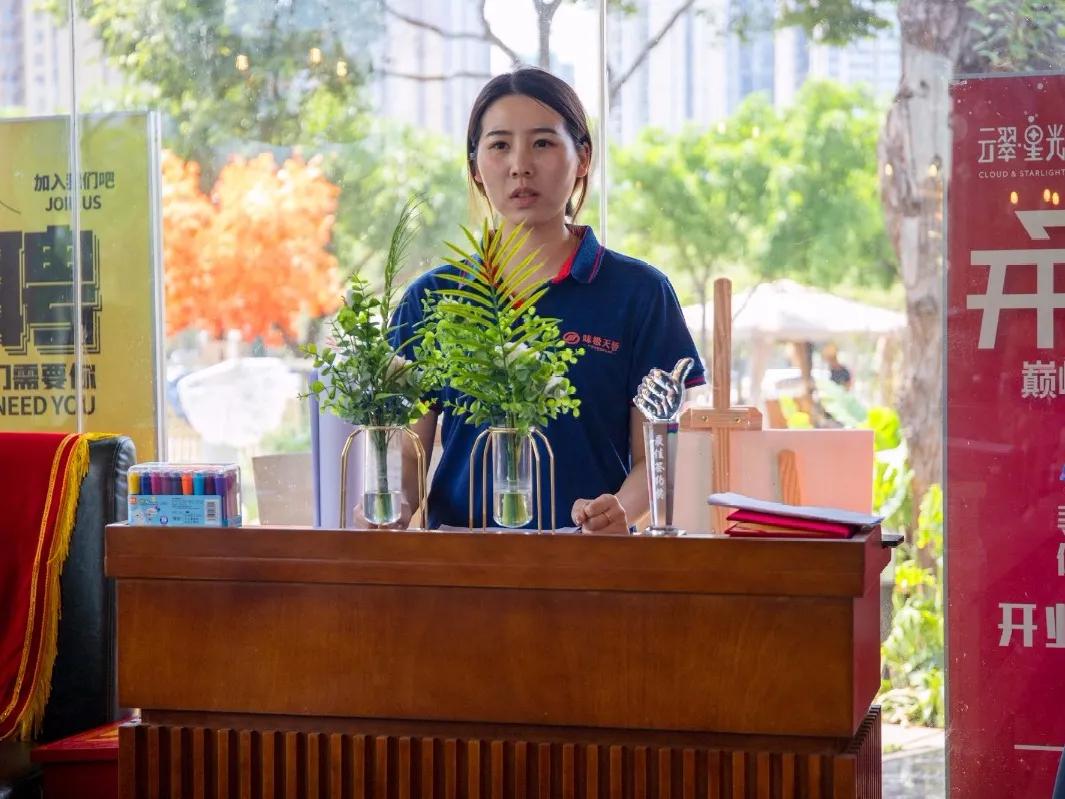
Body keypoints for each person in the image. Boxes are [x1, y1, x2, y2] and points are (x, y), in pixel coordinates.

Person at [385, 67, 704, 533]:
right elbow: (408, 454)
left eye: (543, 143)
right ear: (475, 166)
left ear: (583, 158)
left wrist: (620, 508)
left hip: (588, 563)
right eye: (498, 145)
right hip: (459, 567)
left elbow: (654, 454)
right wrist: (390, 507)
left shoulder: (638, 293)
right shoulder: (430, 299)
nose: (520, 166)